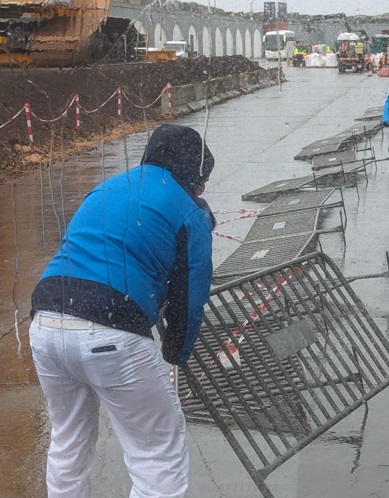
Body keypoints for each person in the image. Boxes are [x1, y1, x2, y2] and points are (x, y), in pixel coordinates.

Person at [29, 123, 215, 498]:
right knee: (157, 454)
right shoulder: (188, 212)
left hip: (46, 321)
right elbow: (191, 295)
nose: (203, 189)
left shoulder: (109, 186)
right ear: (192, 174)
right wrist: (175, 352)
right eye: (202, 180)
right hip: (113, 330)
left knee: (68, 442)